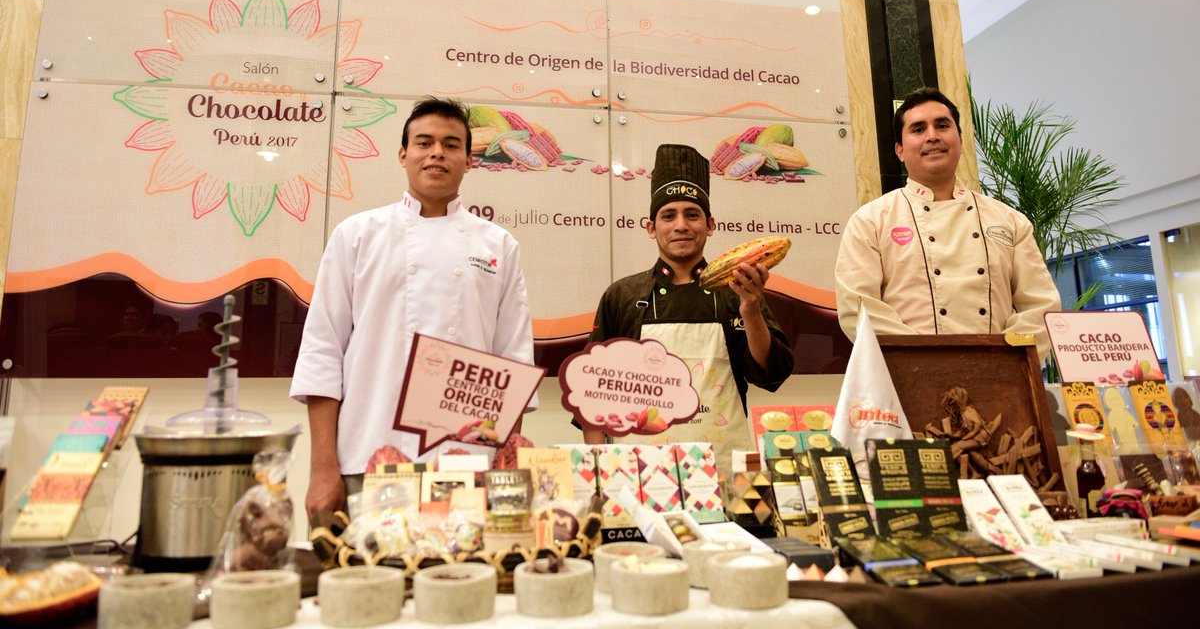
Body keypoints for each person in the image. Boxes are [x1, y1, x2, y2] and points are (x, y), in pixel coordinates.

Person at [290, 97, 535, 519]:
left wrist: (506, 465)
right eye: (424, 143)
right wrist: (322, 468)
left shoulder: (498, 245)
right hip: (366, 455)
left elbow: (511, 362)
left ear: (469, 160)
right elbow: (322, 352)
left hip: (467, 463)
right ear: (403, 154)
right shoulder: (357, 235)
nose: (437, 153)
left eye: (451, 145)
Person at [586, 144, 794, 470]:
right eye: (668, 215)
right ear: (651, 228)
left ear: (710, 225)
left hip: (725, 470)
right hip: (641, 473)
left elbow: (772, 373)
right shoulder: (621, 296)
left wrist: (751, 309)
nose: (681, 225)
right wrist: (599, 472)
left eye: (692, 214)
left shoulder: (737, 292)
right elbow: (593, 399)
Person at [835, 87, 1061, 361]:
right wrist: (930, 362)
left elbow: (1040, 306)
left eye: (942, 125)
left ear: (960, 139)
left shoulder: (1009, 220)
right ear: (900, 150)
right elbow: (859, 309)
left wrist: (1002, 363)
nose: (932, 136)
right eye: (918, 129)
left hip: (998, 373)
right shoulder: (870, 221)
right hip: (908, 375)